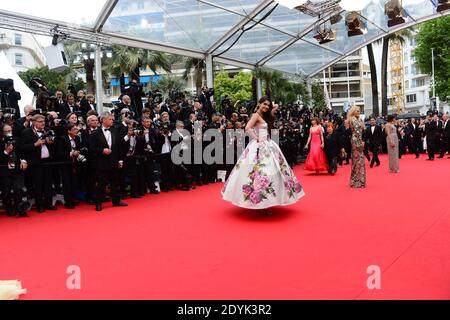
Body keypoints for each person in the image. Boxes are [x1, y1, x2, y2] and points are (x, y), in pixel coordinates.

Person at [221, 97, 305, 210]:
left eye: (268, 105)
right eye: (264, 104)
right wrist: (257, 138)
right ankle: (261, 202)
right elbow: (247, 128)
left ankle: (269, 201)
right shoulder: (255, 115)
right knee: (260, 173)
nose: (266, 106)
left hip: (268, 145)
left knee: (272, 172)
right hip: (259, 146)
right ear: (259, 104)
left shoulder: (265, 116)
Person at [89, 112, 128, 212]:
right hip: (101, 162)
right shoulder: (95, 133)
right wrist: (102, 150)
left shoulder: (115, 131)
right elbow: (91, 149)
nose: (112, 121)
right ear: (104, 120)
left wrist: (120, 160)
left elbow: (118, 146)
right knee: (101, 184)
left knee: (115, 182)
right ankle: (98, 203)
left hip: (114, 161)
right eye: (110, 119)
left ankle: (117, 201)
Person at [347, 106, 366, 188]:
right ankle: (356, 181)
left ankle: (360, 181)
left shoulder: (360, 119)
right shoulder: (352, 119)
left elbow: (363, 130)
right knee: (357, 161)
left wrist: (363, 140)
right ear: (353, 112)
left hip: (359, 140)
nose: (359, 112)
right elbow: (357, 131)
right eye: (357, 111)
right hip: (355, 141)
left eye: (359, 111)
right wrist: (362, 127)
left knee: (360, 161)